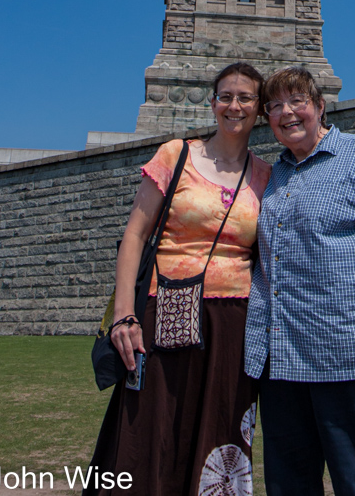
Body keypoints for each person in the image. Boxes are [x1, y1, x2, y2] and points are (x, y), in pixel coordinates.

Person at [87, 62, 271, 496]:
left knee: (221, 430)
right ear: (212, 103)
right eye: (225, 96)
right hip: (163, 309)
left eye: (245, 97)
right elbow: (134, 234)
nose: (234, 105)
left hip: (233, 324)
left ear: (259, 108)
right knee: (148, 428)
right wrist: (123, 316)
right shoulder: (177, 153)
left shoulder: (266, 174)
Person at [245, 67, 355, 496]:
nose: (287, 112)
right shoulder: (272, 174)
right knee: (288, 484)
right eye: (275, 106)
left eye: (297, 101)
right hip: (280, 359)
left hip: (346, 352)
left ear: (320, 107)